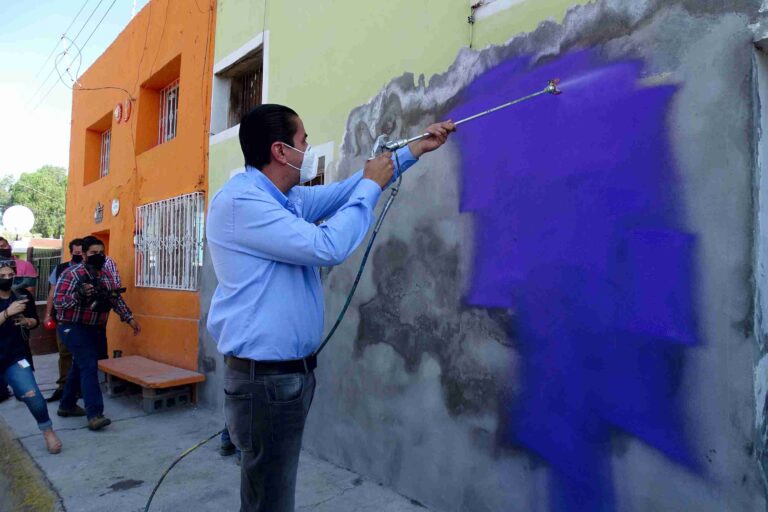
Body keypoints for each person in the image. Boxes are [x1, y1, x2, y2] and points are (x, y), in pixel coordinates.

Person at [206, 103, 454, 511]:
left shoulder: (285, 199)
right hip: (264, 383)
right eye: (303, 140)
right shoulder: (243, 204)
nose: (307, 147)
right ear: (281, 151)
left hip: (286, 378)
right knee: (270, 498)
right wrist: (371, 187)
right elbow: (328, 246)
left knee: (270, 490)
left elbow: (348, 190)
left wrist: (415, 150)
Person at [53, 236, 141, 430]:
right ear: (83, 254)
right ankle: (95, 414)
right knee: (88, 364)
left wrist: (129, 318)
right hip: (71, 325)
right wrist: (79, 295)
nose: (98, 256)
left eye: (101, 252)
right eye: (93, 253)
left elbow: (115, 299)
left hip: (95, 327)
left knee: (80, 365)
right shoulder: (71, 274)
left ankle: (66, 405)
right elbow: (59, 303)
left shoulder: (106, 275)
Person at [0, 259, 62, 454]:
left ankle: (47, 430)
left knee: (32, 395)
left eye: (11, 275)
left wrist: (27, 321)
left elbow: (35, 320)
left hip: (15, 356)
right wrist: (7, 313)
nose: (7, 279)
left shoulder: (22, 294)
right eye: (2, 276)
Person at [43, 238, 84, 402]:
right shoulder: (60, 269)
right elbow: (52, 293)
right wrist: (47, 314)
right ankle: (63, 386)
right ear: (71, 252)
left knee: (81, 353)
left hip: (82, 318)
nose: (78, 255)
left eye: (81, 252)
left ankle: (79, 387)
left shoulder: (89, 270)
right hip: (62, 317)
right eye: (76, 252)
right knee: (64, 352)